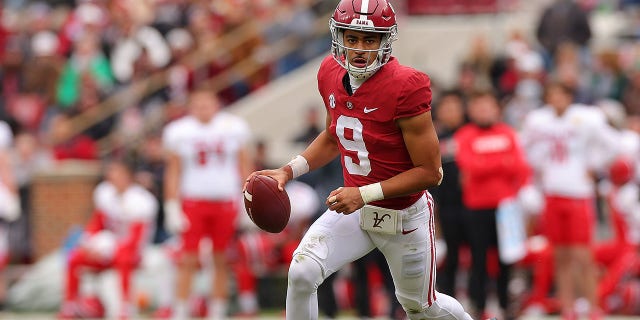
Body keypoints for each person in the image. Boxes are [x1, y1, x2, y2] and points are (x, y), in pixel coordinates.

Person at [244, 1, 475, 319]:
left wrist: (363, 193)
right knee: (301, 272)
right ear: (339, 37)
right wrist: (288, 170)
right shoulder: (329, 71)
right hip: (356, 209)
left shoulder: (406, 86)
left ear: (386, 40)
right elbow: (333, 134)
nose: (360, 48)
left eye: (370, 39)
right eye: (352, 39)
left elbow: (430, 172)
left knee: (421, 308)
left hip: (403, 215)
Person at [520, 81, 620, 320]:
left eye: (560, 94)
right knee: (560, 255)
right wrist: (537, 170)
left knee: (583, 255)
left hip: (578, 193)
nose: (556, 99)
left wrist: (595, 167)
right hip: (553, 193)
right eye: (551, 94)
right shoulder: (538, 121)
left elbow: (613, 144)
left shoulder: (586, 118)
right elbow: (522, 147)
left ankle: (594, 307)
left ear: (569, 96)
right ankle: (568, 308)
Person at [162, 89, 252, 319]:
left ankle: (217, 311)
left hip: (225, 201)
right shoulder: (179, 131)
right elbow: (173, 171)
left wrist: (247, 201)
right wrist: (171, 205)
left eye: (207, 103)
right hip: (193, 202)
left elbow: (244, 166)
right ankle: (181, 310)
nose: (203, 109)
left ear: (216, 104)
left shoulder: (233, 127)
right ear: (191, 107)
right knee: (188, 258)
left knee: (221, 258)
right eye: (198, 104)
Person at [454, 90, 531, 320]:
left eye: (488, 106)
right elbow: (470, 166)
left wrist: (486, 164)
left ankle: (506, 305)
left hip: (505, 208)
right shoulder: (465, 135)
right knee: (477, 259)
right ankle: (478, 306)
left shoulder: (507, 133)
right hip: (476, 206)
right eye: (479, 107)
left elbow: (519, 167)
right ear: (471, 111)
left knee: (505, 259)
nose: (484, 111)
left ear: (497, 110)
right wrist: (500, 163)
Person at [58, 159, 158, 319]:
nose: (112, 176)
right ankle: (70, 306)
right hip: (108, 248)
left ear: (128, 176)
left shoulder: (142, 200)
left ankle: (125, 308)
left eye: (117, 172)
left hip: (132, 251)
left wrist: (110, 248)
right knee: (74, 258)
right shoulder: (104, 193)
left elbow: (136, 239)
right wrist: (88, 244)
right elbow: (97, 223)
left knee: (124, 258)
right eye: (111, 171)